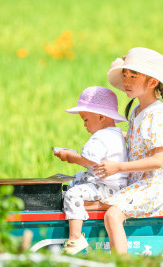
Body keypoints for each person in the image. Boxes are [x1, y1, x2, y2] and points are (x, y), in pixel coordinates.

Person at [93, 47, 163, 254]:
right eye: (125, 74)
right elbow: (135, 141)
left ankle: (121, 262)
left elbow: (158, 160)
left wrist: (118, 167)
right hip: (139, 181)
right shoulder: (137, 111)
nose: (126, 81)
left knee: (113, 215)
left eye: (134, 75)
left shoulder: (158, 115)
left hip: (157, 183)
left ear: (152, 82)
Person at [54, 86, 129, 255]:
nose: (84, 125)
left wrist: (69, 156)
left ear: (101, 117)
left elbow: (88, 160)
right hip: (113, 184)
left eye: (86, 120)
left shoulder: (101, 137)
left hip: (107, 187)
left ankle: (75, 238)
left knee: (73, 194)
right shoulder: (116, 133)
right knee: (78, 180)